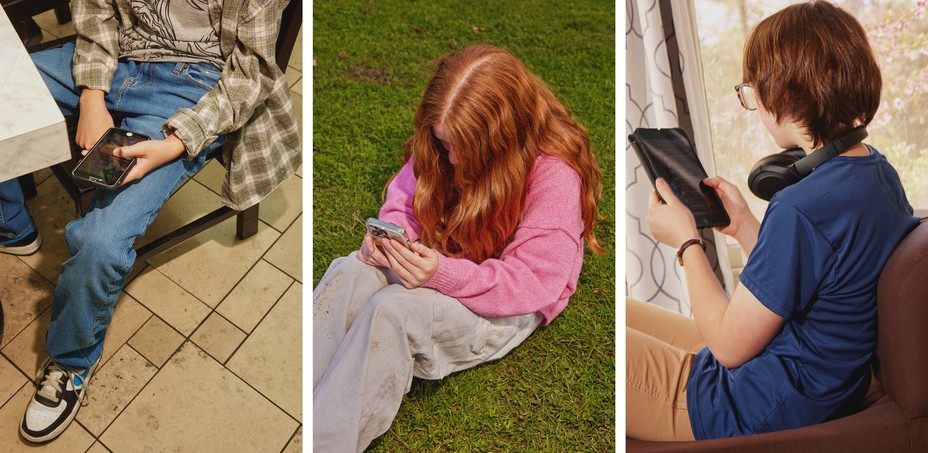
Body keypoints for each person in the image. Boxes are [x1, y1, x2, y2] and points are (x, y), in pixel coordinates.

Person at [626, 0, 919, 441]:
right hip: (787, 375)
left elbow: (726, 347)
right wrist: (746, 227)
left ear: (782, 96)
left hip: (748, 403)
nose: (754, 105)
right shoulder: (877, 174)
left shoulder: (802, 205)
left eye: (751, 91)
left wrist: (687, 243)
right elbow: (820, 283)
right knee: (621, 313)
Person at [17, 0, 300, 443]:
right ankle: (14, 224)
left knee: (101, 242)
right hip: (116, 53)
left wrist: (177, 143)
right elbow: (95, 10)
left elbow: (252, 73)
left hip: (198, 89)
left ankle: (71, 361)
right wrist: (92, 92)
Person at [313, 44, 605, 452]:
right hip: (453, 258)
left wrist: (442, 274)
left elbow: (532, 283)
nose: (449, 157)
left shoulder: (555, 175)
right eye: (441, 141)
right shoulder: (443, 141)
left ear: (501, 139)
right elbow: (405, 198)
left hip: (508, 299)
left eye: (461, 147)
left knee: (393, 312)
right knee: (352, 271)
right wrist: (393, 237)